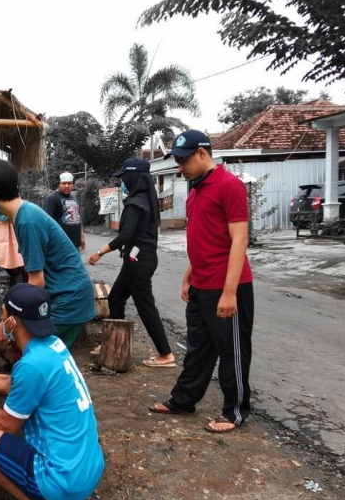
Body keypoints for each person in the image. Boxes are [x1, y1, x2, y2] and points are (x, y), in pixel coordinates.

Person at [0, 283, 104, 500]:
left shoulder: (32, 365)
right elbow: (14, 383)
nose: (1, 319)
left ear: (13, 323)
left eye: (4, 315)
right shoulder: (51, 346)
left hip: (62, 483)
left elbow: (8, 424)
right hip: (86, 471)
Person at [148, 130, 254, 434]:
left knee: (232, 349)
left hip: (227, 286)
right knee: (198, 348)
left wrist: (230, 292)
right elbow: (204, 237)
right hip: (201, 284)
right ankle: (184, 400)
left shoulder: (229, 186)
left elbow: (239, 240)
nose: (180, 167)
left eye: (183, 160)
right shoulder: (195, 189)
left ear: (202, 154)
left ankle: (235, 411)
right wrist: (189, 274)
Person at [0, 158, 96, 348]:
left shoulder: (27, 221)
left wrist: (8, 321)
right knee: (42, 361)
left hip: (68, 300)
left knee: (40, 360)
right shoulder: (23, 214)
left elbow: (36, 282)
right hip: (65, 296)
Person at [88, 158, 175, 368]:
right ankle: (115, 341)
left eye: (124, 179)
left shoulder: (137, 203)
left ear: (134, 178)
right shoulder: (145, 198)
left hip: (139, 261)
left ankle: (166, 354)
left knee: (146, 307)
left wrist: (100, 252)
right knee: (116, 298)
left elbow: (126, 236)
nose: (122, 183)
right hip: (135, 259)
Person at [43, 172, 86, 252]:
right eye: (64, 183)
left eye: (69, 183)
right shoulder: (52, 198)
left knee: (75, 264)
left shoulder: (74, 198)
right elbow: (46, 221)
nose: (66, 186)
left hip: (75, 244)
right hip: (60, 244)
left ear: (73, 184)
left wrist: (81, 235)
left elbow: (78, 217)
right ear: (59, 184)